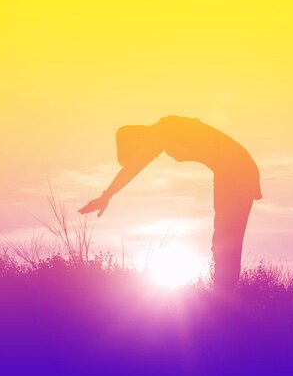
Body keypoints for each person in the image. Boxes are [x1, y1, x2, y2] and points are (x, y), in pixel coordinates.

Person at [78, 115, 262, 292]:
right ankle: (225, 292)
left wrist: (106, 196)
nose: (144, 155)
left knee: (226, 239)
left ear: (137, 140)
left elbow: (134, 166)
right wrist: (106, 195)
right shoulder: (164, 131)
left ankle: (224, 296)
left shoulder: (161, 131)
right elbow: (136, 162)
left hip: (235, 172)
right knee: (226, 239)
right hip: (234, 170)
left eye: (137, 151)